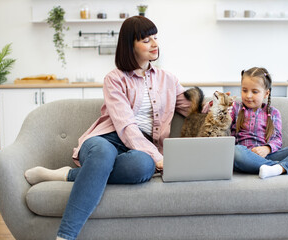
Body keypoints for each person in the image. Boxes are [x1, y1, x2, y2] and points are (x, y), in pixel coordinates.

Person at [24, 16, 192, 240]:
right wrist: (156, 156)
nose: (154, 44)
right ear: (130, 45)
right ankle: (65, 236)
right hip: (107, 139)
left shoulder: (168, 79)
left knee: (143, 166)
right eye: (146, 40)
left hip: (138, 150)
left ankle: (68, 175)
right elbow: (125, 126)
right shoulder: (114, 79)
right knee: (103, 155)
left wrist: (222, 105)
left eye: (155, 38)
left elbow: (192, 109)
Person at [231, 67, 288, 179]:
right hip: (245, 157)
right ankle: (287, 167)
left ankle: (277, 168)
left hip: (269, 155)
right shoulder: (235, 108)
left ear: (266, 93)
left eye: (254, 91)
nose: (248, 95)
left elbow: (277, 139)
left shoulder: (273, 113)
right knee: (236, 151)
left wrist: (267, 149)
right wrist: (217, 102)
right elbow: (214, 114)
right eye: (244, 90)